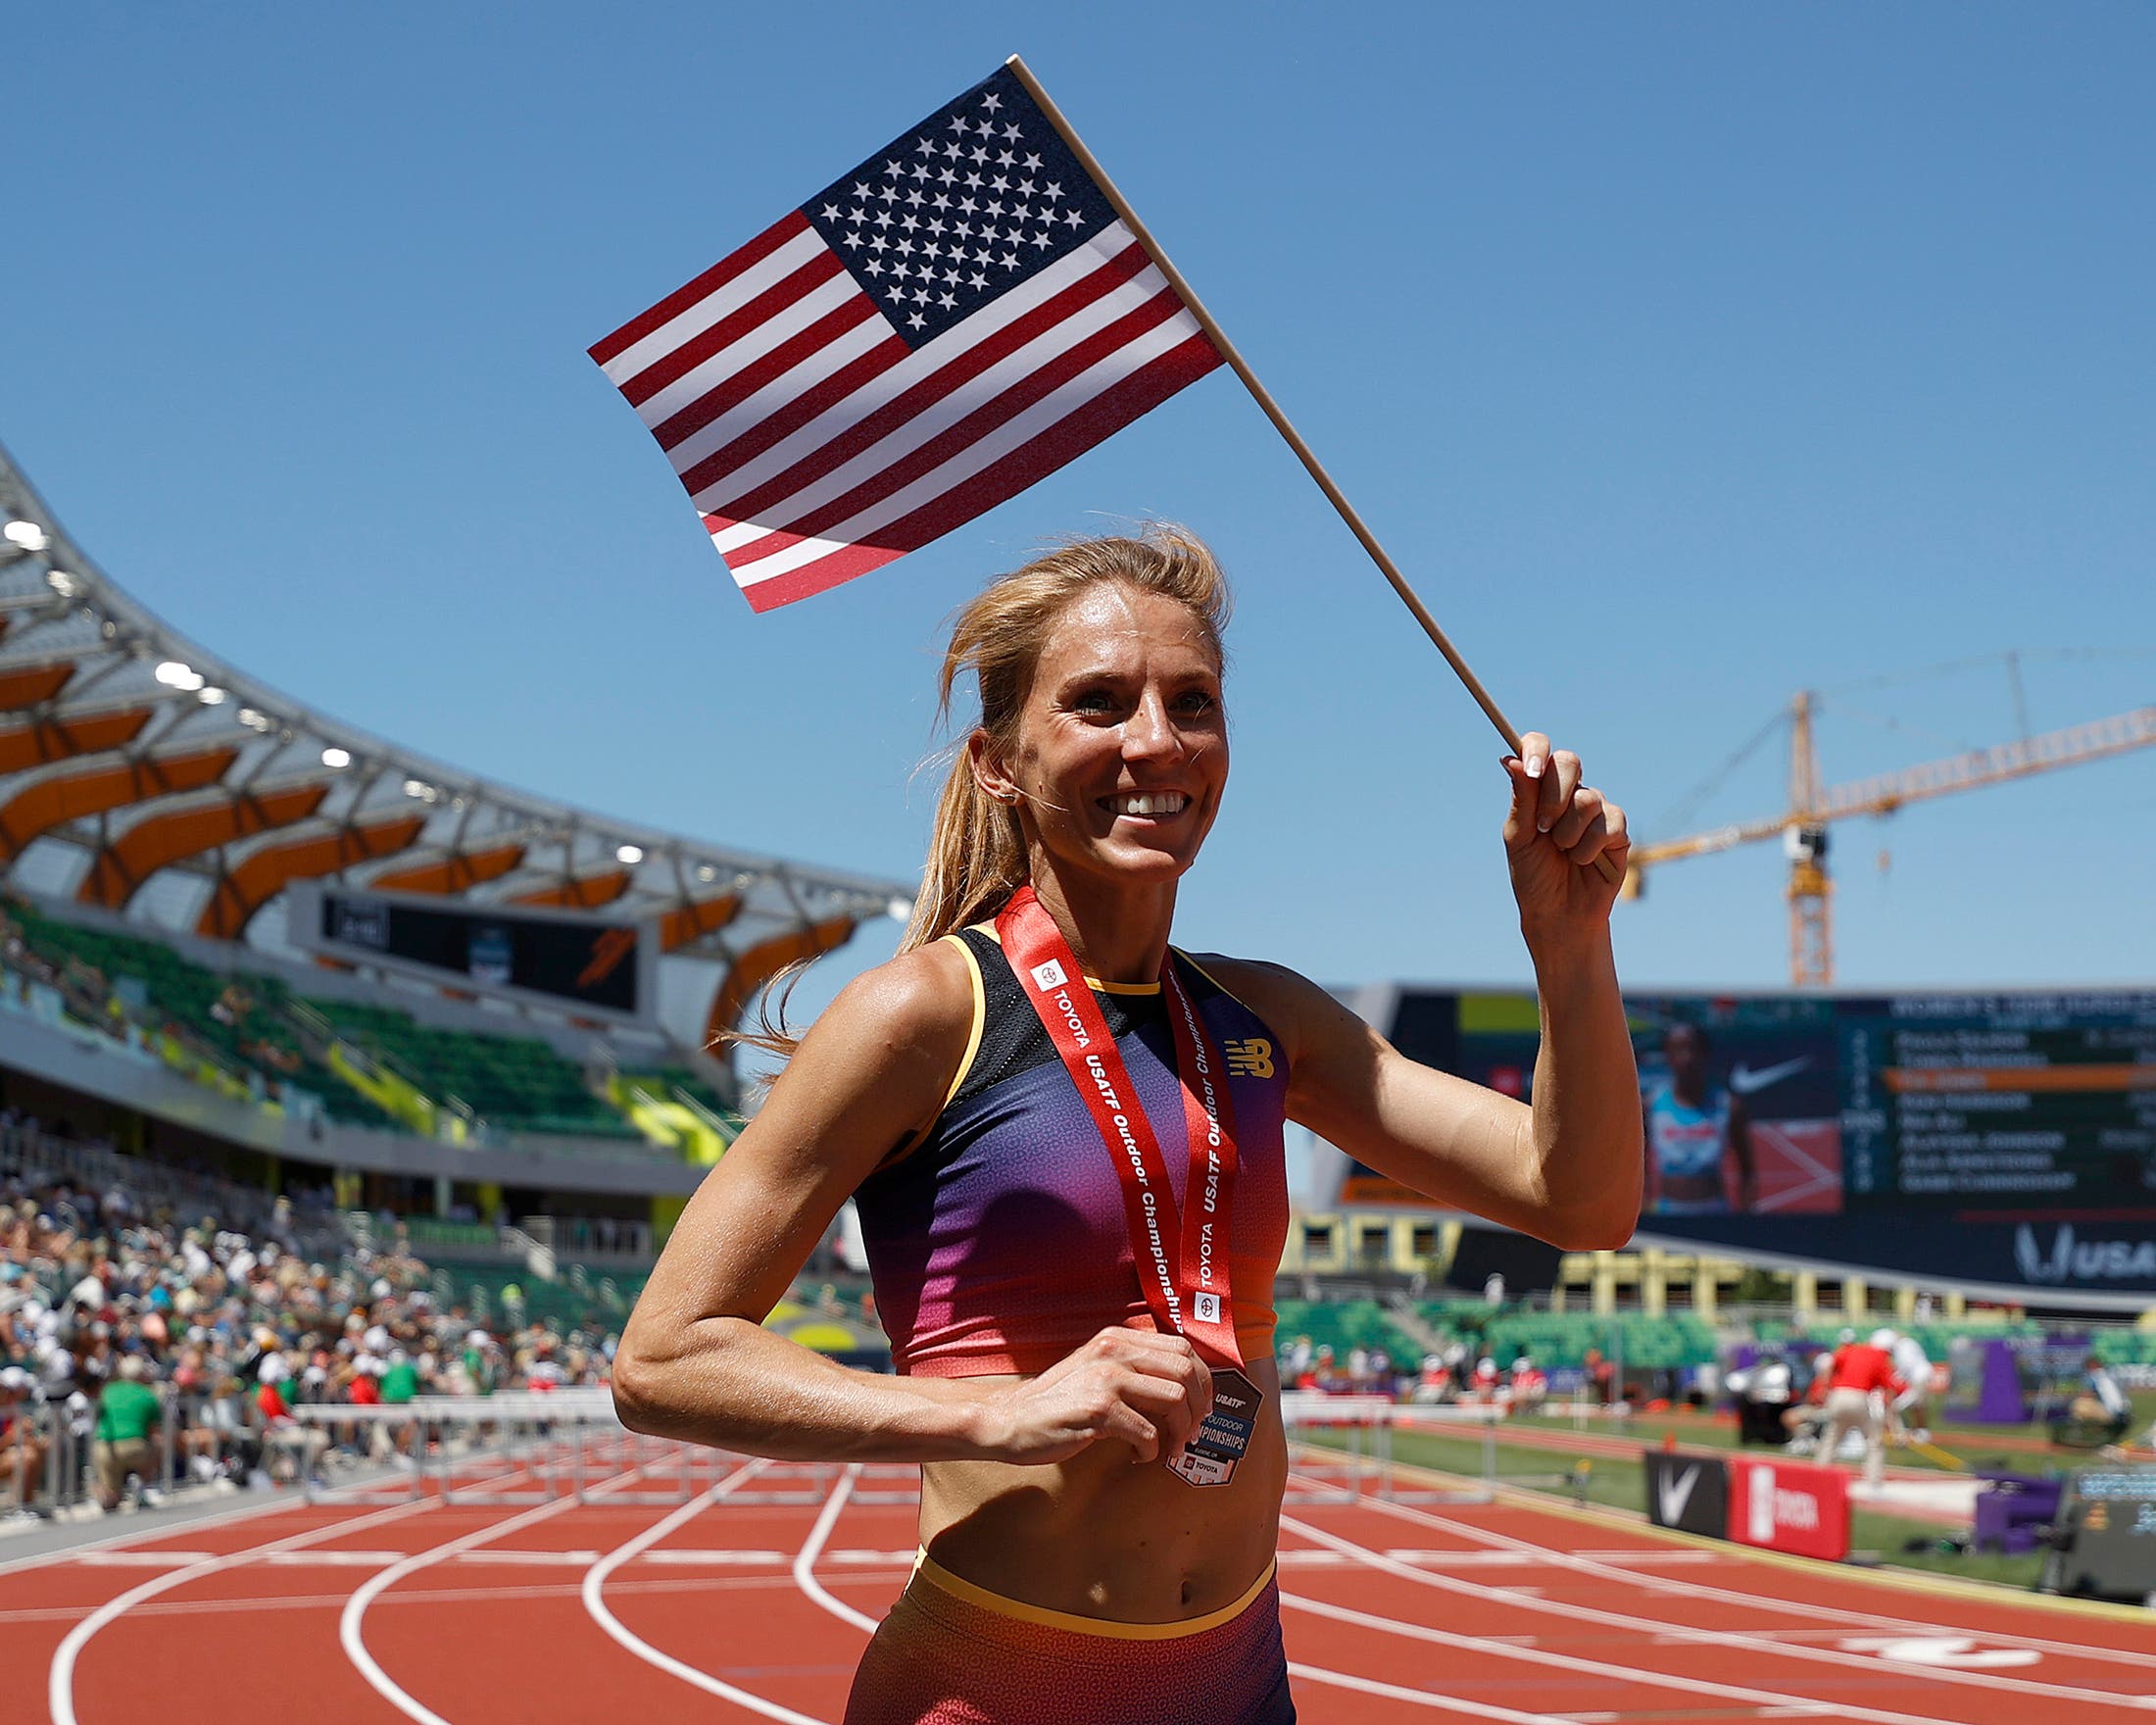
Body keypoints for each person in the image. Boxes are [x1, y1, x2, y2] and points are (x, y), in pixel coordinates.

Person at [612, 530, 1642, 1725]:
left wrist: (1569, 945)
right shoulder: (922, 1014)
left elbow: (1581, 1199)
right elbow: (664, 1355)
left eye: (1191, 702)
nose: (1155, 739)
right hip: (999, 1685)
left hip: (1239, 1675)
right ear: (999, 760)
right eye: (1099, 702)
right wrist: (994, 1412)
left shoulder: (1267, 1015)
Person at [1642, 1022, 1755, 1213]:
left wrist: (1745, 1212)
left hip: (1714, 1211)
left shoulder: (1727, 1105)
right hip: (1668, 1211)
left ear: (1704, 1053)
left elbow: (1747, 1167)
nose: (1686, 1058)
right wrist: (1644, 1207)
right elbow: (1638, 1166)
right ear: (1668, 1056)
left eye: (1691, 1049)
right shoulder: (1652, 1106)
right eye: (1677, 1050)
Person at [1816, 1327, 1907, 1489]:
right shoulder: (1881, 1359)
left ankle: (1819, 1474)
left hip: (1837, 1395)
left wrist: (1826, 1386)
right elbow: (1889, 1391)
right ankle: (1874, 1481)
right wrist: (1892, 1423)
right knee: (1874, 1441)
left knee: (1832, 1436)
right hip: (1857, 1398)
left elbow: (1831, 1363)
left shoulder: (1853, 1349)